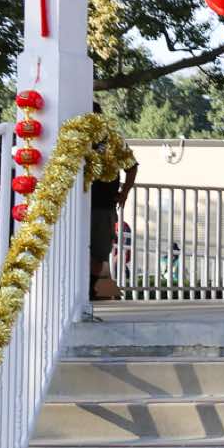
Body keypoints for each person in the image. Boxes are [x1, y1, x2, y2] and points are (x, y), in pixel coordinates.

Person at [88, 102, 138, 301]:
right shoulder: (73, 137)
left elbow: (131, 167)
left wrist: (124, 192)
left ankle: (91, 291)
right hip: (75, 205)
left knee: (99, 251)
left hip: (103, 204)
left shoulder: (113, 140)